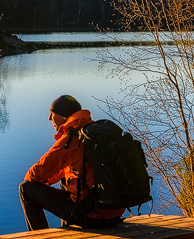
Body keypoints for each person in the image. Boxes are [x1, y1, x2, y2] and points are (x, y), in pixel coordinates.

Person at [18, 95, 125, 229]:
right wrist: (49, 180)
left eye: (52, 113)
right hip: (114, 214)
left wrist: (39, 182)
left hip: (91, 216)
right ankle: (68, 229)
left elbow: (35, 173)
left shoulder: (71, 139)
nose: (49, 118)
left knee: (26, 188)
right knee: (67, 178)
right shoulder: (93, 134)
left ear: (64, 117)